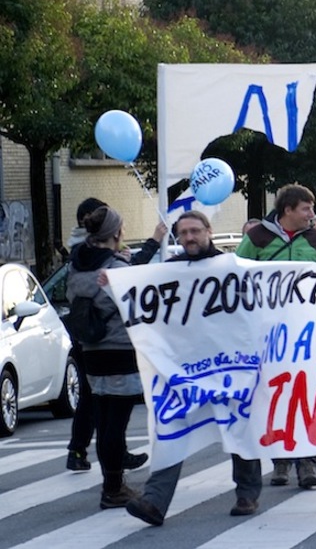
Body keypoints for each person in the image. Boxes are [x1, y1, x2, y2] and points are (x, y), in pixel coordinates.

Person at [126, 211, 263, 524]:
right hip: (185, 369)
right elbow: (135, 289)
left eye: (195, 231)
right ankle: (154, 501)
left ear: (209, 231)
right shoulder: (170, 271)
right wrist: (114, 282)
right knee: (170, 428)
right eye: (183, 232)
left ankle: (247, 493)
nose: (189, 237)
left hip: (230, 365)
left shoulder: (233, 268)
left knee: (238, 427)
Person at [236, 184, 316, 488]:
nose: (311, 214)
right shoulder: (256, 238)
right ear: (288, 210)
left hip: (304, 332)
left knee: (305, 394)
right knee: (275, 395)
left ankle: (306, 462)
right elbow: (238, 276)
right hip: (267, 334)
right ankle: (280, 461)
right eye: (306, 208)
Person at [65, 197, 158, 473]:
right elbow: (138, 304)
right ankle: (114, 485)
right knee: (115, 423)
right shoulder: (116, 268)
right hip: (118, 348)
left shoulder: (76, 264)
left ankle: (109, 479)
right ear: (116, 233)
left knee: (104, 417)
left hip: (90, 349)